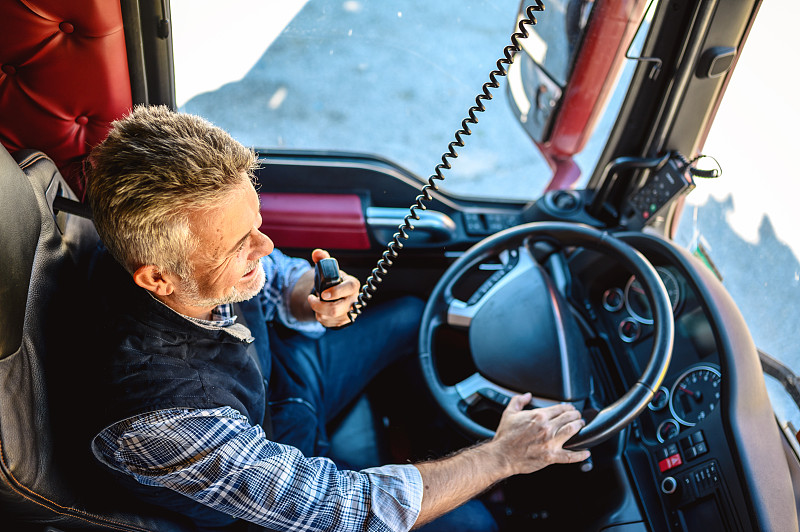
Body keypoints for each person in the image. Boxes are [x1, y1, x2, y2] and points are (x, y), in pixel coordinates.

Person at [84, 105, 590, 532]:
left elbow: (278, 274)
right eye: (242, 245)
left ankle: (438, 451)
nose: (266, 245)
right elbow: (336, 507)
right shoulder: (159, 419)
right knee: (476, 525)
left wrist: (310, 297)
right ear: (156, 280)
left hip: (282, 384)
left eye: (256, 225)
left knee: (412, 316)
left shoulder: (180, 263)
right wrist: (501, 457)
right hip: (271, 483)